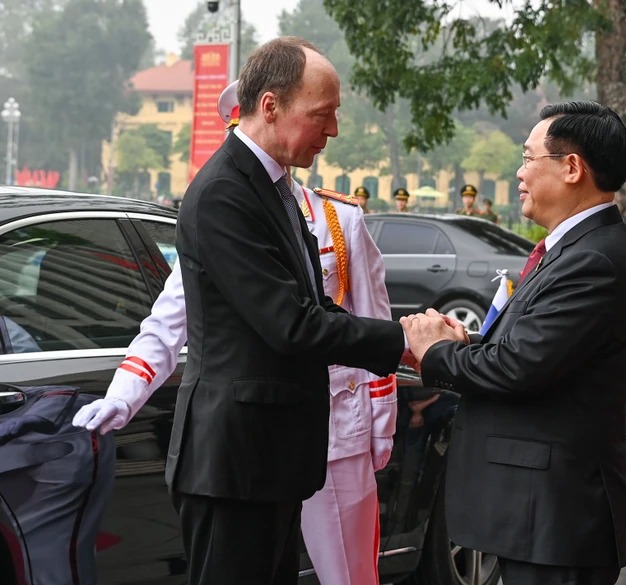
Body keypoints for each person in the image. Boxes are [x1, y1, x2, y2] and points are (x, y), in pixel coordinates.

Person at [73, 77, 398, 585]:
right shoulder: (227, 204)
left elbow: (369, 312)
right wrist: (124, 394)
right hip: (262, 438)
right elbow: (170, 322)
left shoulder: (336, 217)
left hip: (338, 423)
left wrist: (381, 422)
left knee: (350, 574)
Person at [401, 101, 626, 585]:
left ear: (572, 168)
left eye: (529, 158)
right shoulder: (575, 249)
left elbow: (517, 367)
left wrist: (437, 353)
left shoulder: (593, 260)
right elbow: (539, 349)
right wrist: (468, 341)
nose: (519, 172)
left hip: (556, 518)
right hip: (541, 518)